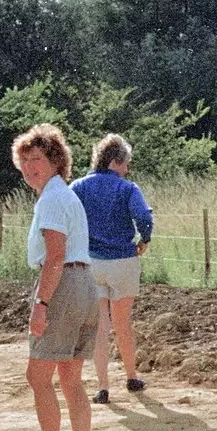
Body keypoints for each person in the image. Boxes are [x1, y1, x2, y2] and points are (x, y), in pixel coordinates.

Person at [13, 123, 98, 431]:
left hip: (64, 284)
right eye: (25, 160)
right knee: (71, 379)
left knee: (38, 375)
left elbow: (54, 257)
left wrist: (41, 304)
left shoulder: (51, 199)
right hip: (86, 284)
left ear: (55, 161)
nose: (30, 167)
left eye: (37, 159)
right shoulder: (66, 195)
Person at [71, 133, 154, 404]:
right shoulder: (128, 188)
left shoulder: (80, 187)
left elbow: (69, 216)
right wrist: (145, 238)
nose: (127, 168)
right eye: (126, 162)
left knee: (100, 327)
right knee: (123, 324)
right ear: (116, 161)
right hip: (123, 261)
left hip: (92, 261)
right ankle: (131, 376)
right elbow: (143, 215)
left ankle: (103, 386)